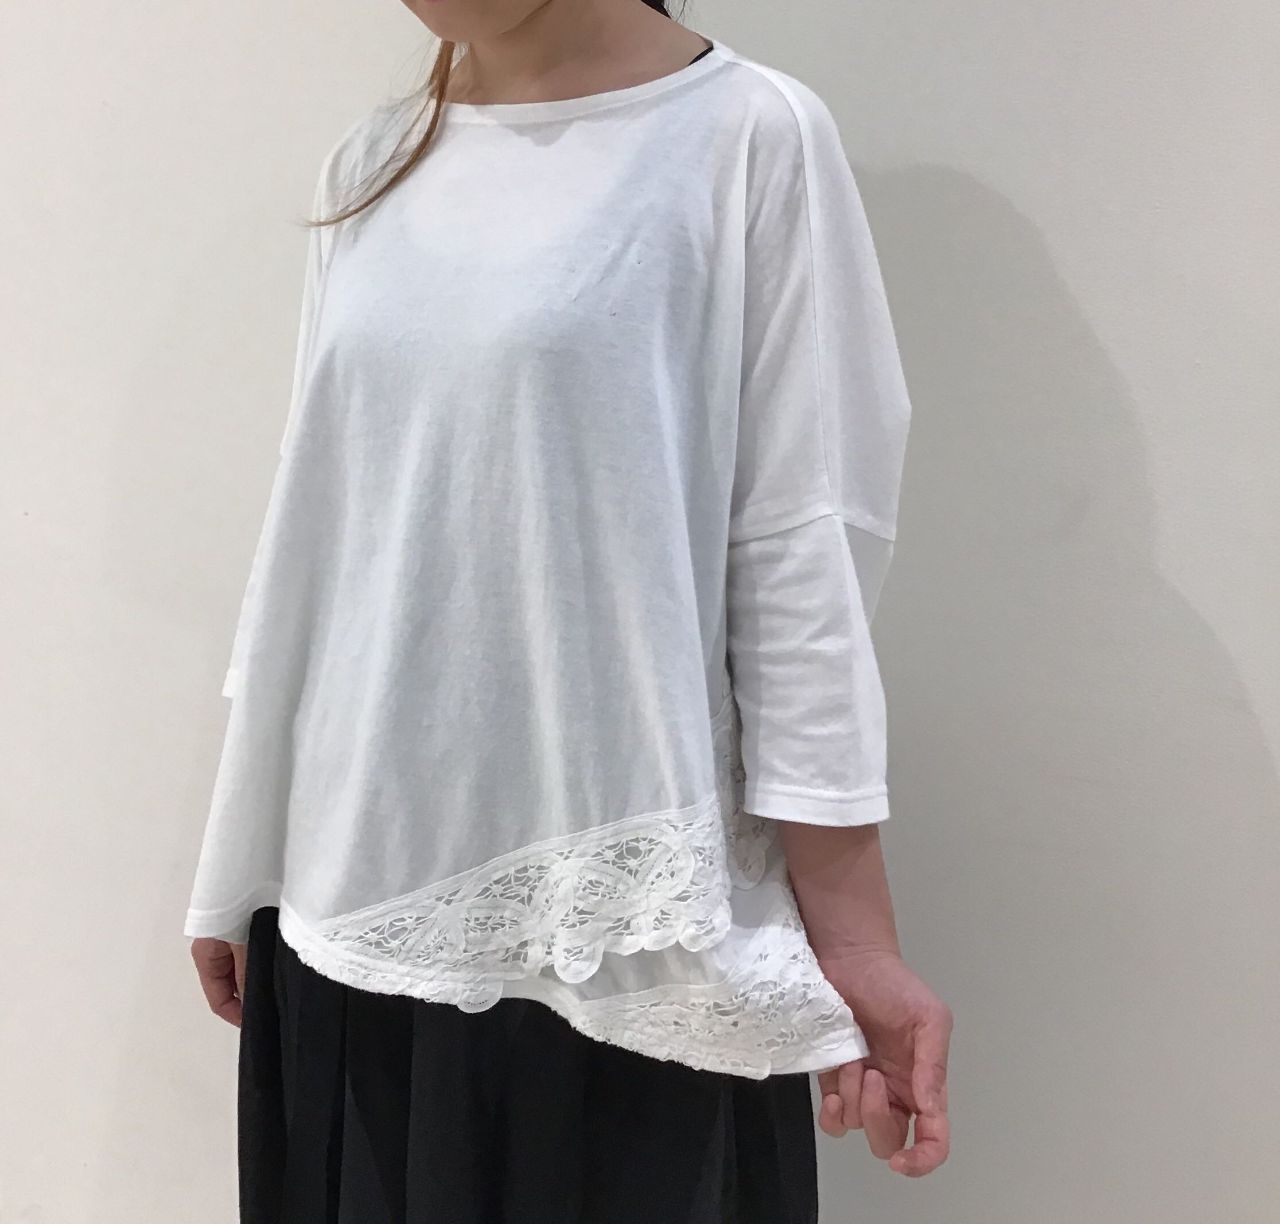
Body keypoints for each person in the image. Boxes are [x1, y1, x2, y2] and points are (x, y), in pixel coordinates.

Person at [186, 2, 953, 1219]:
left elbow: (801, 546)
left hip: (625, 944)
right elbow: (318, 535)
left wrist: (852, 938)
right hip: (350, 903)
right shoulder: (372, 161)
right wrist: (240, 862)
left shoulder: (745, 136)